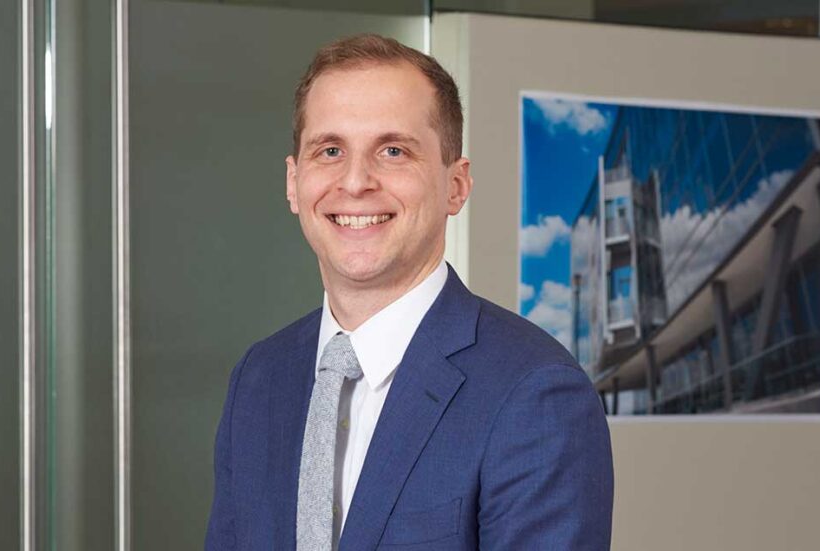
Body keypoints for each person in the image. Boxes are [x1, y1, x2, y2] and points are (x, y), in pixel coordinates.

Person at [205, 34, 613, 551]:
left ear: (456, 186)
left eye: (393, 151)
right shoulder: (260, 378)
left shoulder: (536, 394)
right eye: (330, 151)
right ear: (293, 181)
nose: (355, 182)